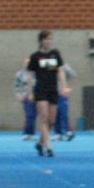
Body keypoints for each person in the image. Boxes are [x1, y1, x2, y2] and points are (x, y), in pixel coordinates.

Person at [26, 30, 68, 158]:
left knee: (51, 121)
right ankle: (49, 147)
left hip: (53, 90)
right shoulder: (35, 57)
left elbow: (60, 71)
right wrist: (30, 92)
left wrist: (64, 86)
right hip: (41, 90)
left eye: (50, 39)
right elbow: (30, 75)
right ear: (41, 41)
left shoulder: (55, 54)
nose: (49, 41)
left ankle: (40, 143)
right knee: (43, 118)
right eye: (46, 39)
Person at [54, 62, 77, 140]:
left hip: (62, 94)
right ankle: (58, 133)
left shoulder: (64, 66)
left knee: (63, 113)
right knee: (55, 114)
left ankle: (68, 131)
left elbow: (73, 75)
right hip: (51, 94)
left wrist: (67, 88)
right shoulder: (47, 66)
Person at [14, 59, 36, 139]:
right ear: (23, 64)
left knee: (34, 115)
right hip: (25, 95)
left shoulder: (36, 73)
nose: (28, 64)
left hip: (37, 96)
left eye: (30, 63)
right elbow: (16, 86)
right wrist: (18, 95)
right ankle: (27, 133)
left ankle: (31, 133)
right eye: (26, 63)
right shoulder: (19, 74)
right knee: (29, 114)